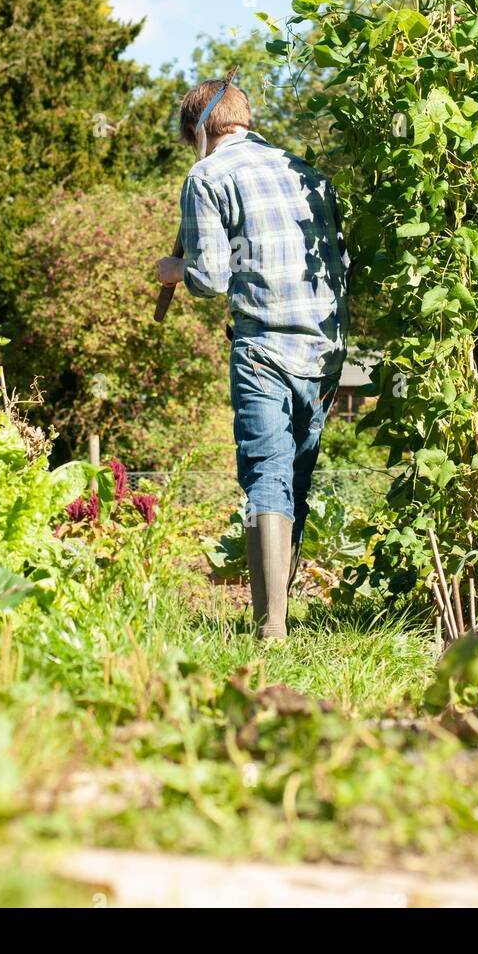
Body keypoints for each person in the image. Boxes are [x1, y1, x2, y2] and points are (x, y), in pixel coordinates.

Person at [156, 77, 349, 639]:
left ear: (199, 133)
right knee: (296, 477)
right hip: (326, 347)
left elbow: (211, 278)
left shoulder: (207, 176)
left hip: (263, 346)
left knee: (267, 475)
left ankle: (270, 632)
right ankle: (281, 616)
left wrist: (174, 271)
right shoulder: (306, 173)